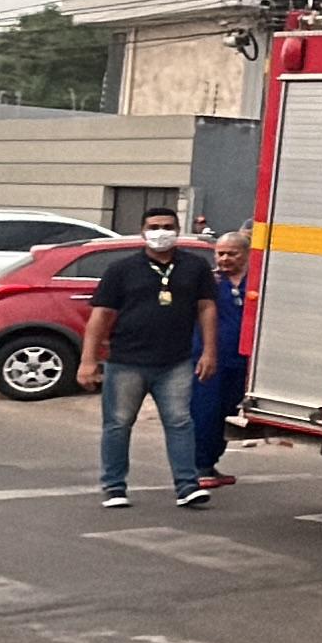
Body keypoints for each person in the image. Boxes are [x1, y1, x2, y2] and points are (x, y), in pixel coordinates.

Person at [81, 207, 220, 510]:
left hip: (176, 361)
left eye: (168, 226)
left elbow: (207, 308)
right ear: (143, 232)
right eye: (154, 227)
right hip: (126, 361)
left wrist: (209, 352)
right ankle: (114, 487)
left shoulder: (195, 267)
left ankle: (187, 486)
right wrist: (88, 360)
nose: (161, 232)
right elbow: (101, 315)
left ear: (178, 229)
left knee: (180, 422)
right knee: (118, 424)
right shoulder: (121, 269)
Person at [191, 227, 251, 488]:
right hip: (209, 360)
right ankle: (200, 467)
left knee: (228, 412)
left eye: (232, 254)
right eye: (220, 254)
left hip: (243, 362)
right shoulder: (207, 284)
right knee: (206, 412)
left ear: (246, 254)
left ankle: (212, 464)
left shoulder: (258, 282)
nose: (225, 259)